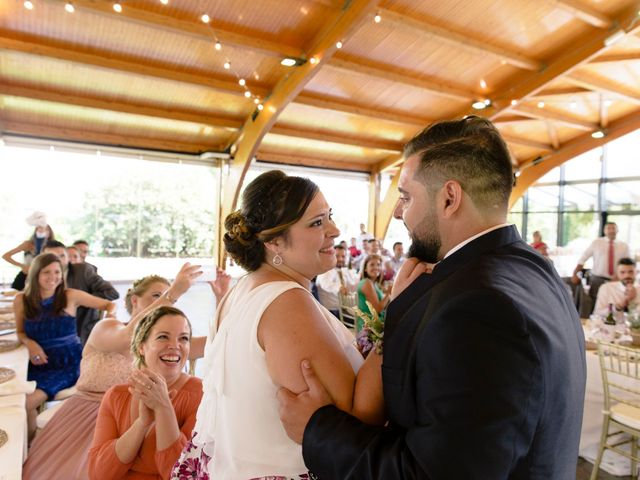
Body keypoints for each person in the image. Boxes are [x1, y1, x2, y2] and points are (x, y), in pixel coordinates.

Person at [277, 116, 586, 479]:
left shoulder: (477, 308)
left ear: (449, 198)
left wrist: (318, 429)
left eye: (406, 196)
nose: (396, 212)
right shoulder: (536, 269)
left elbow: (431, 473)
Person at [170, 170, 384, 479]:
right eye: (317, 223)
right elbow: (354, 424)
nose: (335, 231)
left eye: (330, 216)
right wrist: (397, 324)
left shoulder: (241, 289)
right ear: (274, 243)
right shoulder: (286, 302)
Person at [22, 263, 229, 480]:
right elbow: (131, 336)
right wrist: (174, 292)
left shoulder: (174, 356)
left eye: (168, 295)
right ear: (134, 300)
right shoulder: (108, 328)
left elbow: (216, 342)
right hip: (91, 413)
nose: (165, 300)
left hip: (136, 411)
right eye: (157, 295)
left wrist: (222, 297)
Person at [88, 306, 203, 479]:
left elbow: (181, 475)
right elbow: (98, 473)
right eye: (163, 337)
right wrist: (141, 424)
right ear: (142, 346)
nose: (174, 346)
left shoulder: (200, 395)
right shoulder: (116, 396)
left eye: (184, 338)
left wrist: (164, 407)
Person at [13, 252, 117, 439]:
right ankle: (26, 444)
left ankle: (30, 448)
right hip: (36, 362)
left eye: (57, 272)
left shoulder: (70, 295)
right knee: (12, 399)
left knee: (26, 403)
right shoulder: (21, 300)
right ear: (36, 274)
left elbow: (110, 305)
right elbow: (20, 332)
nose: (53, 277)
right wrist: (31, 344)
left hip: (67, 364)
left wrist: (110, 316)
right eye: (47, 272)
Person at [44, 240, 119, 345]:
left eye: (62, 256)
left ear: (67, 257)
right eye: (52, 257)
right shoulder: (41, 276)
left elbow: (113, 293)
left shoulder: (82, 270)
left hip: (81, 327)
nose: (58, 260)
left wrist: (83, 299)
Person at [571, 222, 631, 312]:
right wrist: (575, 273)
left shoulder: (624, 246)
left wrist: (620, 278)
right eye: (608, 228)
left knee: (615, 303)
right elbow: (583, 258)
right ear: (604, 231)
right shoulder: (597, 243)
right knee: (595, 304)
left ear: (617, 230)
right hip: (597, 279)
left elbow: (627, 264)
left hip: (616, 280)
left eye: (613, 228)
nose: (611, 230)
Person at [2, 211, 55, 290]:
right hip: (25, 277)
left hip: (44, 278)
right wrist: (22, 266)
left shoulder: (54, 246)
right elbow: (6, 256)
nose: (41, 230)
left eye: (44, 229)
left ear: (49, 232)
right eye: (38, 228)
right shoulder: (27, 244)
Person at [315, 244, 359, 318]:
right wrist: (339, 288)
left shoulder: (342, 270)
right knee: (363, 321)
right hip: (332, 312)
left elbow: (353, 284)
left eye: (343, 256)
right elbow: (325, 284)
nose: (341, 259)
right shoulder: (325, 270)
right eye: (337, 256)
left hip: (344, 309)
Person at [356, 254, 390, 331]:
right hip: (369, 327)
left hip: (375, 323)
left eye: (378, 265)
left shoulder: (374, 284)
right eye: (372, 265)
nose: (376, 267)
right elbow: (377, 310)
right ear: (365, 269)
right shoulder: (367, 283)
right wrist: (388, 293)